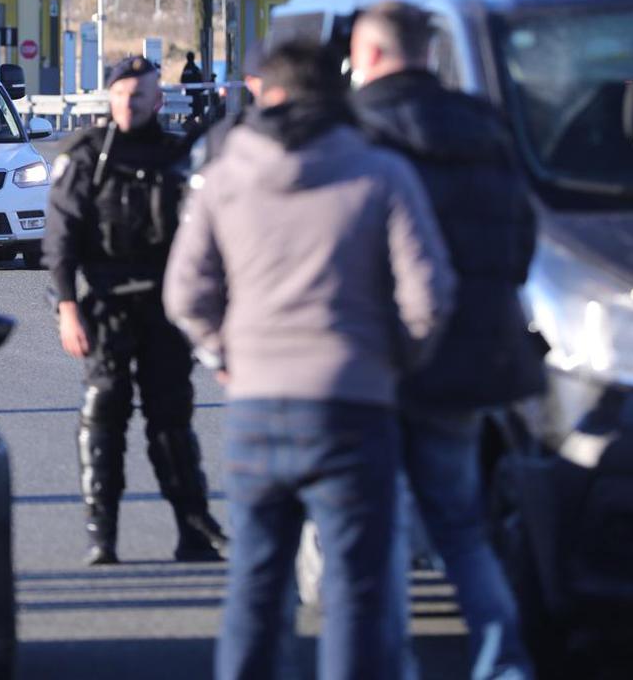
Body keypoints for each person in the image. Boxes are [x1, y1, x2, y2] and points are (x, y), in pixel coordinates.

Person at [163, 39, 456, 680]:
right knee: (355, 585)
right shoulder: (380, 171)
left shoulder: (227, 172)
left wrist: (223, 352)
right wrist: (393, 361)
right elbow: (429, 297)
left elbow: (185, 293)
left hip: (258, 401)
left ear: (266, 92)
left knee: (256, 581)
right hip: (354, 399)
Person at [348, 0, 542, 680]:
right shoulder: (487, 126)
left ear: (366, 54)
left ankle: (391, 665)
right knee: (462, 527)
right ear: (428, 52)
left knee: (380, 529)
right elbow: (523, 242)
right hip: (472, 355)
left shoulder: (357, 131)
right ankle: (503, 663)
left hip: (380, 360)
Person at [44, 55, 229, 566]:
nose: (129, 103)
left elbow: (210, 236)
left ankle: (193, 529)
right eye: (121, 94)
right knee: (104, 414)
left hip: (167, 309)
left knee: (172, 418)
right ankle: (100, 533)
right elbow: (60, 241)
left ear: (157, 99)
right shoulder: (86, 156)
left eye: (139, 94)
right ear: (111, 97)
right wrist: (66, 307)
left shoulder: (179, 155)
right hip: (105, 305)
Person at [179, 50, 205, 124]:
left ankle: (191, 122)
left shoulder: (185, 69)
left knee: (192, 111)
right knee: (199, 110)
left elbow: (182, 81)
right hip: (195, 96)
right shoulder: (195, 69)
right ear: (193, 58)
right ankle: (195, 124)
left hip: (188, 95)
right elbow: (200, 82)